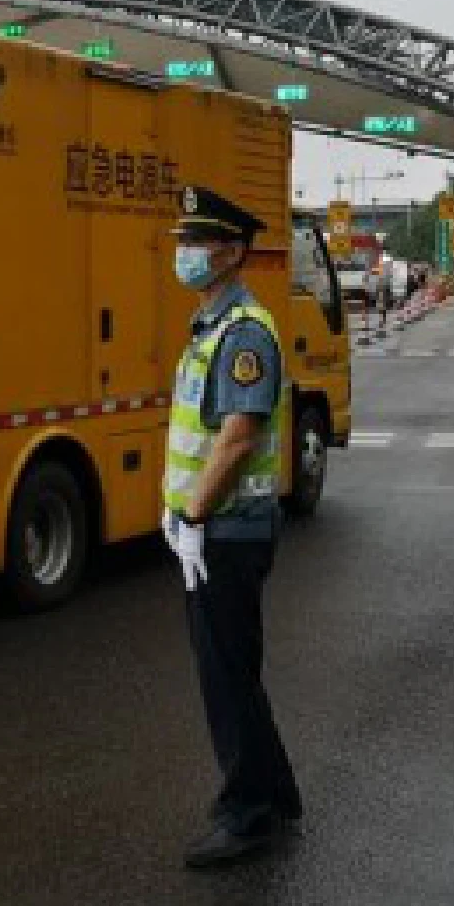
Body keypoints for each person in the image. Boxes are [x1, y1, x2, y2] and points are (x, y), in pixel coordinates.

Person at [160, 186, 303, 869]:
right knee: (235, 667)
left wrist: (192, 515)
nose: (185, 253)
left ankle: (246, 813)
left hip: (227, 532)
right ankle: (276, 791)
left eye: (198, 242)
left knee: (225, 676)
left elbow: (238, 437)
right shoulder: (212, 324)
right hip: (217, 529)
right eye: (183, 241)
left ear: (233, 251)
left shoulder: (244, 331)